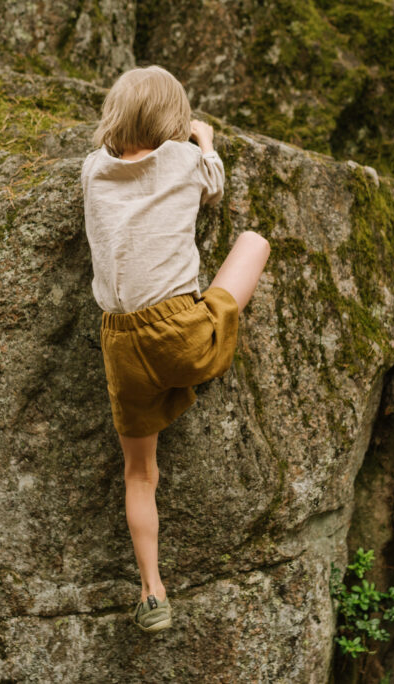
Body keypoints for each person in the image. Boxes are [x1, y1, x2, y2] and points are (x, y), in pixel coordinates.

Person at [81, 64, 270, 633]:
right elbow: (214, 188)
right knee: (254, 242)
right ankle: (215, 326)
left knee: (140, 473)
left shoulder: (91, 170)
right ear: (173, 120)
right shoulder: (184, 160)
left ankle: (151, 589)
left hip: (120, 341)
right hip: (180, 332)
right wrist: (204, 139)